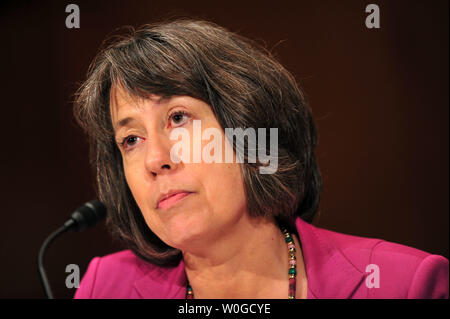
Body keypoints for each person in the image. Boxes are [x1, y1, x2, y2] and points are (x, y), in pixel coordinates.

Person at [72, 19, 448, 299]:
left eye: (178, 117)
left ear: (249, 132)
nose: (155, 159)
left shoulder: (401, 283)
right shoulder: (104, 287)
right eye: (131, 139)